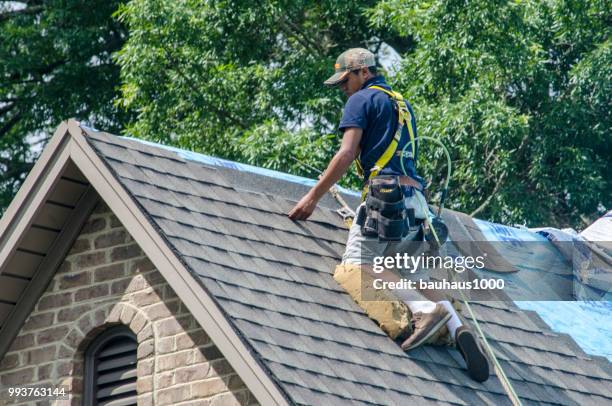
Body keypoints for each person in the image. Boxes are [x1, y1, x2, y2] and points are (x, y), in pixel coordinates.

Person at [288, 48, 489, 382]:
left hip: (385, 198)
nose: (343, 88)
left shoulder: (361, 100)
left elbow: (347, 152)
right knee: (412, 275)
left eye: (345, 80)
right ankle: (457, 326)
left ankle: (425, 311)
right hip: (416, 203)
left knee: (358, 265)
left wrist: (312, 197)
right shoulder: (401, 104)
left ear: (363, 72)